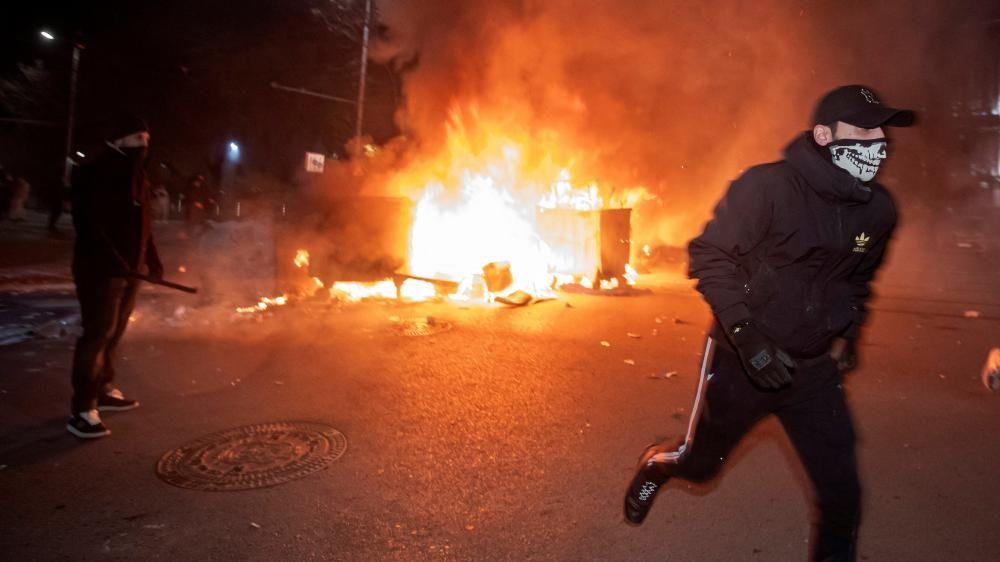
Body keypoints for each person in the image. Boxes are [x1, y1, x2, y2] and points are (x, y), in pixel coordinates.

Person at [623, 85, 915, 562]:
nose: (878, 142)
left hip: (813, 372)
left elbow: (858, 279)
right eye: (864, 131)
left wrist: (851, 331)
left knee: (843, 498)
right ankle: (657, 465)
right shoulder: (767, 187)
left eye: (882, 132)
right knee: (700, 466)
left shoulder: (879, 210)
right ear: (824, 135)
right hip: (741, 364)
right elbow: (709, 255)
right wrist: (747, 336)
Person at [66, 115, 163, 439]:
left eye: (146, 139)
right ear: (118, 140)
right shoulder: (93, 173)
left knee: (115, 333)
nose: (143, 145)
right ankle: (82, 410)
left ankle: (102, 388)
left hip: (130, 272)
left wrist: (151, 261)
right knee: (97, 335)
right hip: (101, 271)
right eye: (137, 139)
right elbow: (91, 227)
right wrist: (117, 261)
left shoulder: (139, 177)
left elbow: (144, 225)